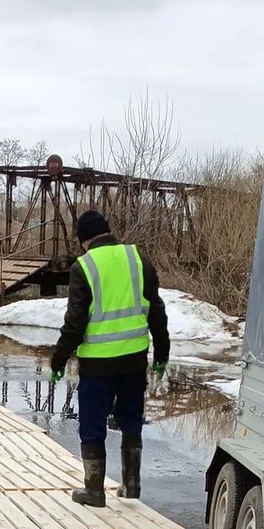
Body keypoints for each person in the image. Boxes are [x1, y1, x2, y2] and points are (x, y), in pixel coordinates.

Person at [49, 209, 168, 505]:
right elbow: (156, 309)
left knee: (92, 423)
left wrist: (58, 359)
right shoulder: (137, 257)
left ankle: (94, 490)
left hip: (98, 364)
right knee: (130, 419)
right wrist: (162, 353)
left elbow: (75, 323)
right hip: (134, 359)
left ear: (83, 240)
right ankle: (131, 484)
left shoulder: (84, 266)